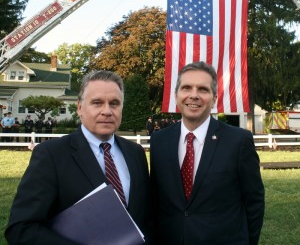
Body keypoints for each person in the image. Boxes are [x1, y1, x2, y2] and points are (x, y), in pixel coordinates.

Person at [5, 70, 151, 245]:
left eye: (114, 103)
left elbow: (144, 217)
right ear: (80, 108)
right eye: (97, 103)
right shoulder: (51, 155)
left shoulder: (135, 153)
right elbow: (21, 228)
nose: (107, 111)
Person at [150, 61, 265, 245]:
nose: (193, 95)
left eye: (203, 89)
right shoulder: (159, 141)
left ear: (214, 99)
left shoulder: (238, 141)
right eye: (186, 88)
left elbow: (254, 201)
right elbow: (156, 201)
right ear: (176, 95)